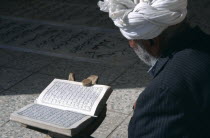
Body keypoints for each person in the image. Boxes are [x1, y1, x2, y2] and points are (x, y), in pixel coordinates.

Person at [98, 0, 210, 137]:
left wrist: (152, 103)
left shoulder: (162, 94)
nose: (131, 45)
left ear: (151, 42)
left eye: (131, 40)